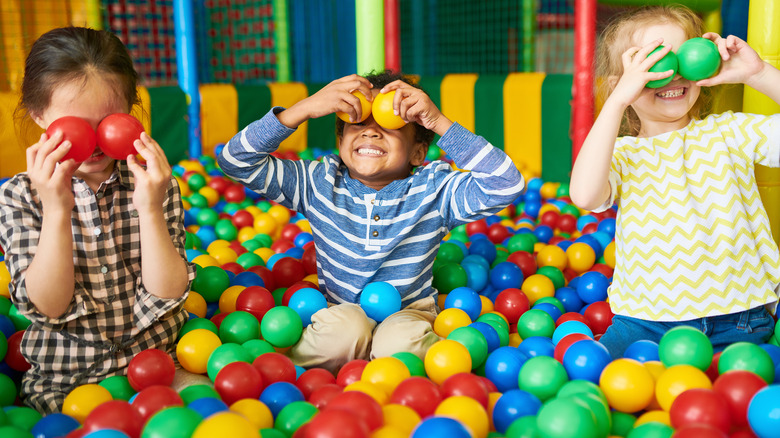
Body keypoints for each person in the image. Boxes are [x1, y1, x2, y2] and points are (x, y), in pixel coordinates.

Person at [218, 70, 524, 373]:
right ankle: (295, 374)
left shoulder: (434, 190)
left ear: (418, 152)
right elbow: (234, 160)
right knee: (344, 333)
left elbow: (507, 184)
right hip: (339, 312)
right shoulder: (317, 182)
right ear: (340, 142)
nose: (371, 132)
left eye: (389, 124)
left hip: (407, 312)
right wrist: (303, 109)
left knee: (398, 345)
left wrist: (437, 122)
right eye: (358, 123)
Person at [0, 27, 197, 413]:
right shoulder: (18, 196)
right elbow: (49, 307)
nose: (94, 141)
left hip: (159, 367)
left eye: (111, 120)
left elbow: (168, 292)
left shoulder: (153, 183)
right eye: (77, 125)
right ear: (40, 116)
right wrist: (56, 210)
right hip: (68, 384)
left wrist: (151, 209)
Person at [569, 5, 780, 359]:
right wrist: (618, 98)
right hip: (644, 323)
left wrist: (758, 74)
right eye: (652, 65)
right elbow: (585, 195)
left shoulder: (729, 132)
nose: (671, 75)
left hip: (738, 317)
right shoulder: (621, 154)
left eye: (680, 59)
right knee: (599, 379)